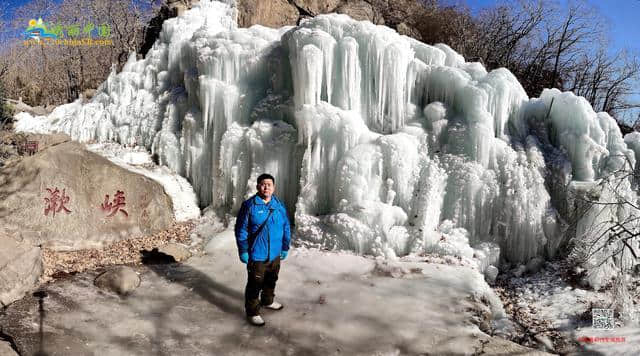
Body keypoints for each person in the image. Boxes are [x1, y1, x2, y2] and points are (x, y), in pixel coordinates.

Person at [235, 173, 291, 326]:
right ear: (258, 186)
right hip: (257, 254)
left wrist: (285, 246)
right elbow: (241, 230)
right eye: (263, 184)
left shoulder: (279, 205)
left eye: (269, 184)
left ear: (273, 187)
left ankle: (268, 301)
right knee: (254, 284)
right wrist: (244, 250)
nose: (266, 187)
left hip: (275, 254)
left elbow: (286, 226)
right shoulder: (249, 206)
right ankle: (252, 312)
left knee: (271, 280)